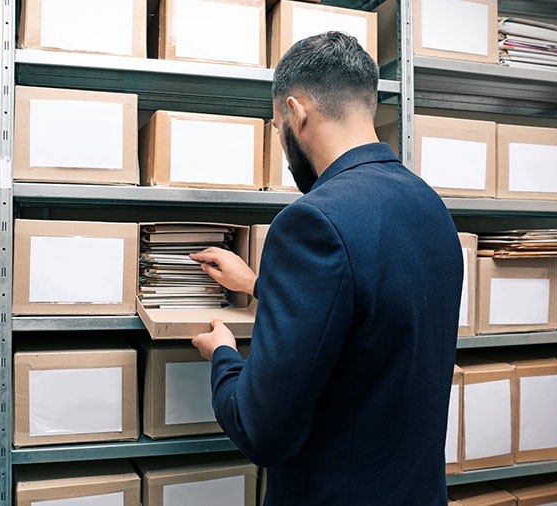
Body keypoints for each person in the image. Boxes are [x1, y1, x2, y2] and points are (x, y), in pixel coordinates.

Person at [189, 31, 463, 505]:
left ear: (296, 113)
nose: (281, 139)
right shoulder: (430, 206)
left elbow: (261, 430)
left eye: (277, 127)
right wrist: (259, 285)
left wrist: (223, 356)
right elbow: (371, 314)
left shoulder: (311, 221)